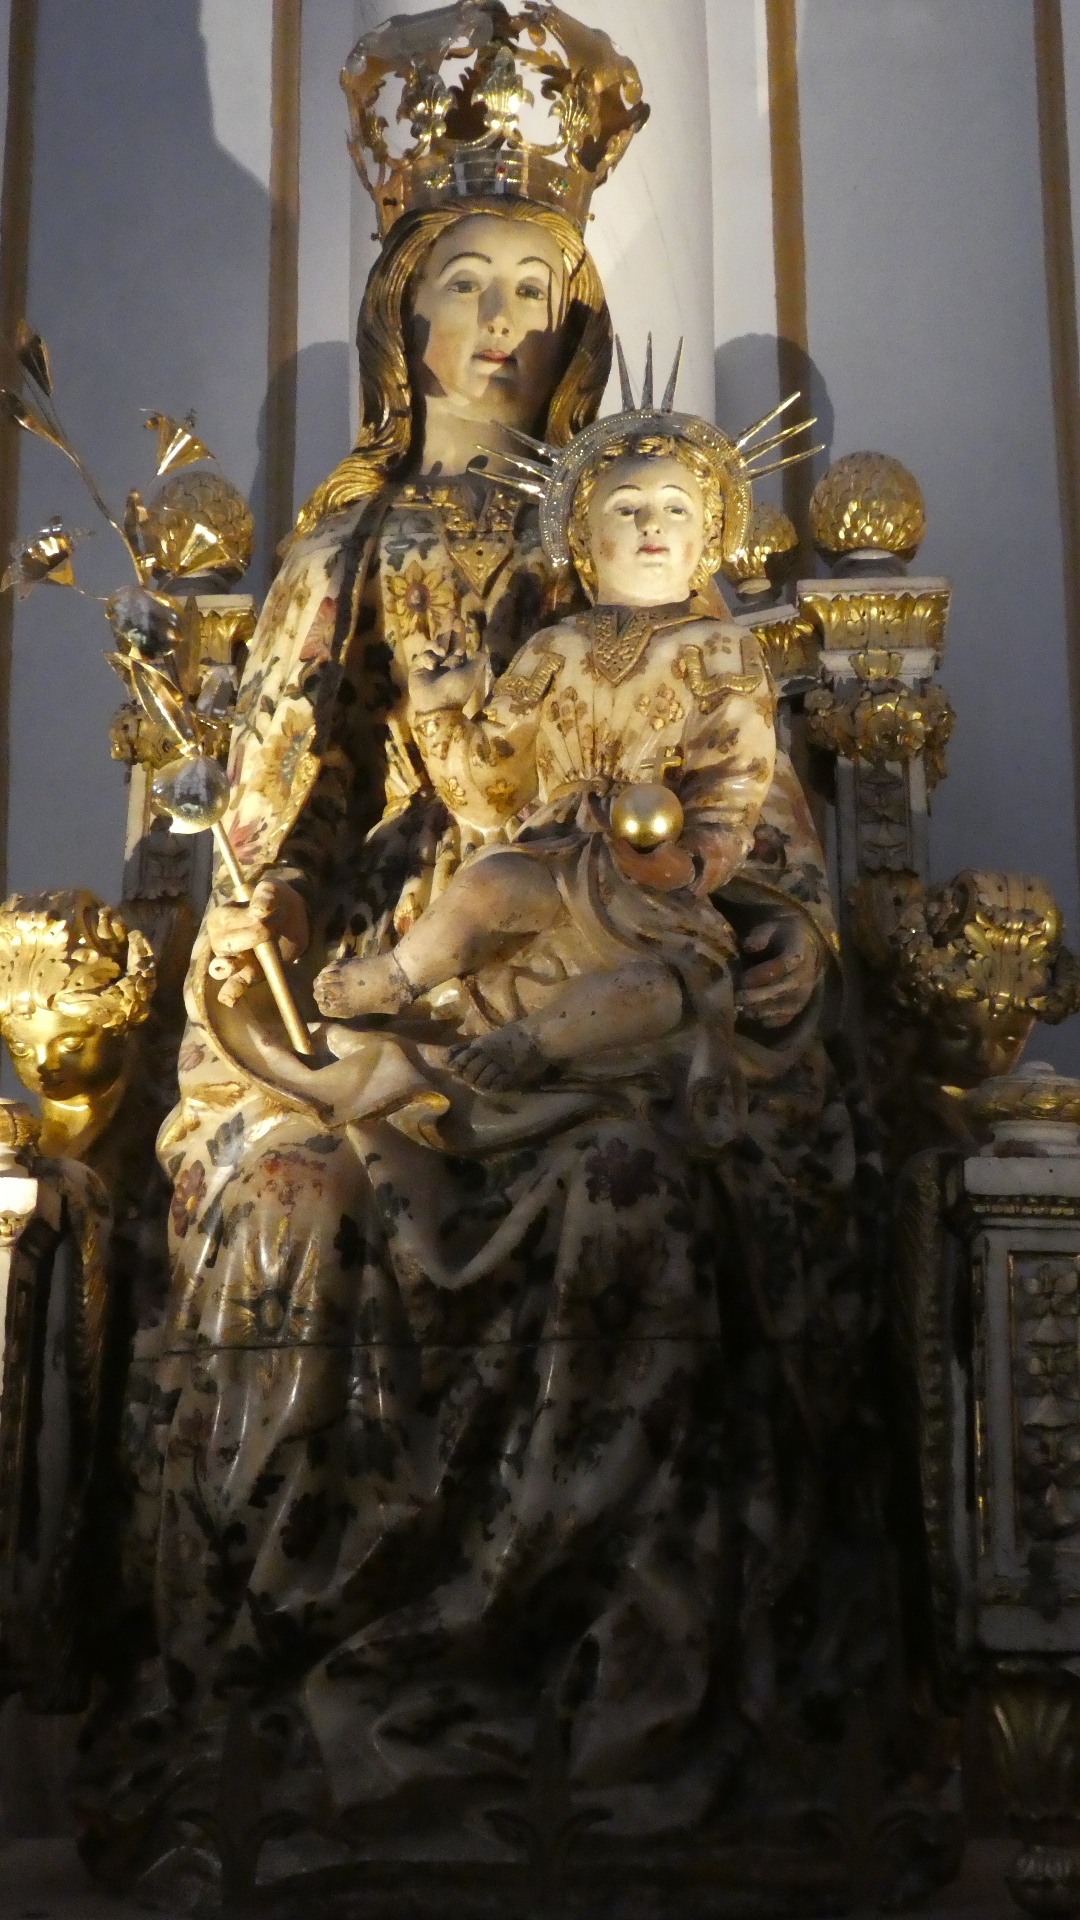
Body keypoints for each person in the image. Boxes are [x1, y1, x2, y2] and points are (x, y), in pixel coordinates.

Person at [74, 8, 875, 1893]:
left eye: (537, 283)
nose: (505, 319)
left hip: (598, 986)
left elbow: (743, 805)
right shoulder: (343, 553)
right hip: (387, 964)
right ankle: (304, 1723)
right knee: (290, 1198)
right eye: (469, 283)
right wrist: (288, 967)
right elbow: (275, 819)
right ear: (403, 312)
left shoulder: (643, 539)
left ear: (580, 312)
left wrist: (782, 934)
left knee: (637, 1189)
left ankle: (622, 1723)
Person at [313, 429, 776, 1107]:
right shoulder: (552, 648)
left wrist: (690, 861)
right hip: (555, 853)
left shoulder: (724, 649)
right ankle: (400, 974)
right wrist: (440, 711)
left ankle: (528, 1045)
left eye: (676, 507)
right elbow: (489, 788)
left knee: (655, 992)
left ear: (708, 536)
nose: (651, 523)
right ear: (582, 535)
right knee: (487, 882)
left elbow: (734, 781)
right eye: (626, 507)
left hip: (655, 889)